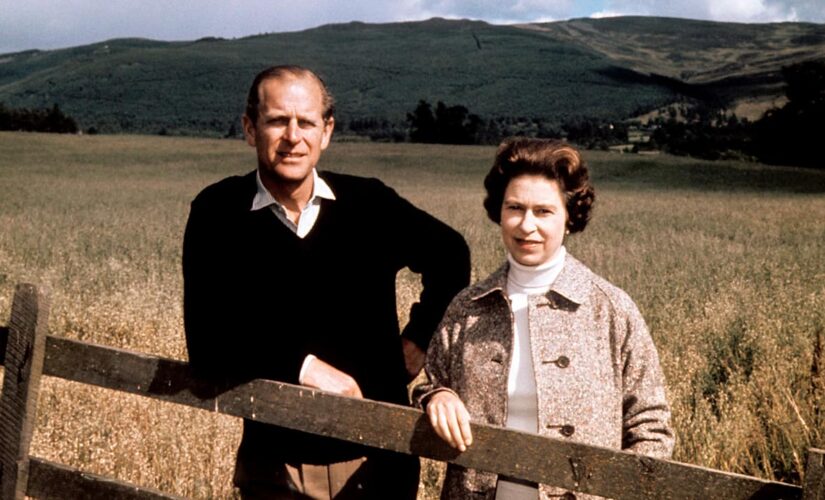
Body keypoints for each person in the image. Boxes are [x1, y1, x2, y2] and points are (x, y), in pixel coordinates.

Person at [182, 65, 471, 499]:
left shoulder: (369, 204)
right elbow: (207, 342)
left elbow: (451, 254)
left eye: (307, 122)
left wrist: (419, 338)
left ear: (327, 131)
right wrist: (304, 367)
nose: (293, 136)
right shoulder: (219, 213)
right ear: (249, 128)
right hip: (275, 466)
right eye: (277, 120)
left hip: (379, 462)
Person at [415, 138, 674, 500]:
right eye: (515, 208)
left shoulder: (611, 310)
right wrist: (437, 397)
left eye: (544, 211)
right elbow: (428, 385)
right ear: (499, 212)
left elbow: (651, 430)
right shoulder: (468, 308)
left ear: (569, 217)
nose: (526, 225)